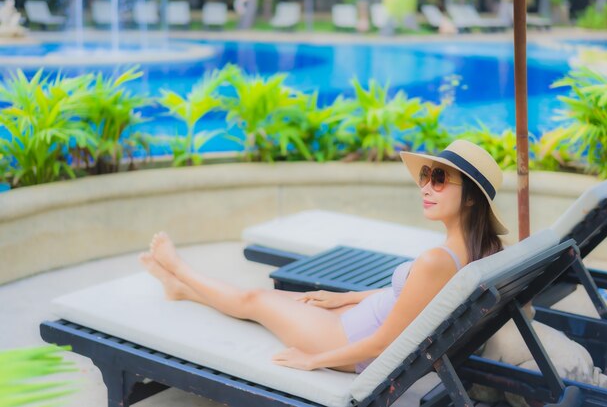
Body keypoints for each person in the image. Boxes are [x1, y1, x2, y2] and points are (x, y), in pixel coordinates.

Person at [140, 139, 508, 373]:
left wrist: (312, 360)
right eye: (427, 175)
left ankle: (179, 269)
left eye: (440, 179)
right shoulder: (482, 251)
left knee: (254, 298)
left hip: (350, 343)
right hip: (360, 319)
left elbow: (386, 345)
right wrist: (347, 297)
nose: (426, 187)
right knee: (276, 299)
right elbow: (415, 300)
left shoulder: (438, 260)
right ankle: (182, 291)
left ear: (472, 197)